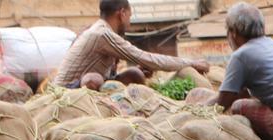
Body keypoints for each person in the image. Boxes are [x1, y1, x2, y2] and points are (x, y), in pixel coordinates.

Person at [55, 0, 209, 88]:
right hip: (68, 90)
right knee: (93, 79)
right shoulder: (102, 34)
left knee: (134, 73)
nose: (129, 22)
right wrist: (191, 63)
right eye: (129, 16)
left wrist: (135, 69)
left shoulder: (104, 31)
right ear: (121, 14)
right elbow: (146, 58)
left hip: (83, 85)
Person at [212, 2, 273, 140]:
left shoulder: (241, 55)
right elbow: (241, 92)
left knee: (238, 107)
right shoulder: (271, 44)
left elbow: (221, 104)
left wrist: (196, 109)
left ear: (233, 33)